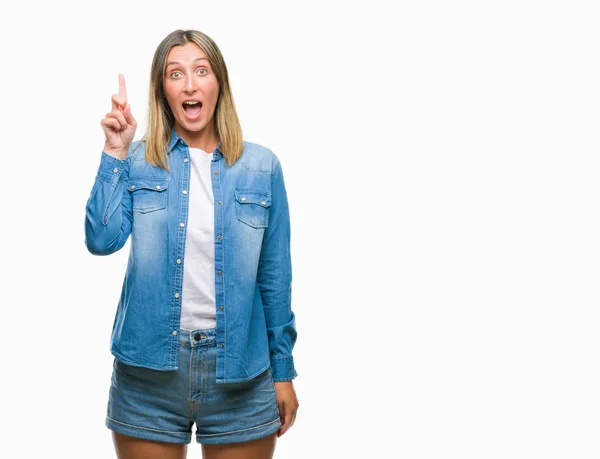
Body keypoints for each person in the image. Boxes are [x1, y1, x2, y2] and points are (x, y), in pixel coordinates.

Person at [84, 29, 299, 459]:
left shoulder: (261, 167)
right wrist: (114, 154)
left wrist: (283, 371)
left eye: (201, 71)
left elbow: (273, 280)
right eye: (175, 73)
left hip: (241, 371)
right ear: (163, 90)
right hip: (147, 374)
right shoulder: (140, 161)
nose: (189, 84)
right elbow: (101, 240)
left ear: (218, 82)